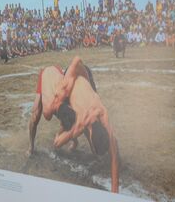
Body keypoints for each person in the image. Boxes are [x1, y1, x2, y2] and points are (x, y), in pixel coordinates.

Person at [27, 56, 118, 193]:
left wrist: (114, 190)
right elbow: (57, 143)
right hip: (56, 80)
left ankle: (75, 139)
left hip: (74, 82)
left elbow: (113, 151)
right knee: (36, 115)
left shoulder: (101, 114)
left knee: (71, 118)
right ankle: (31, 146)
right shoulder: (77, 120)